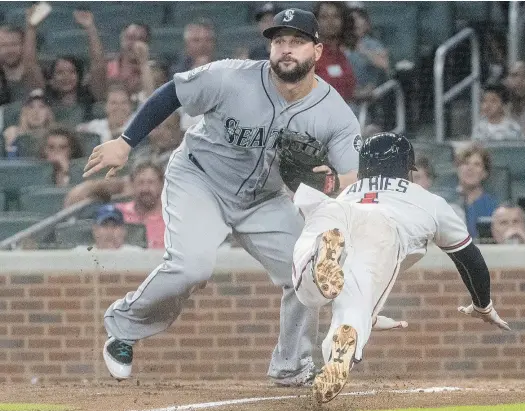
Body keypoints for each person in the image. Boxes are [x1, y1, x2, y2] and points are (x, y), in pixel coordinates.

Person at [82, 8, 361, 386]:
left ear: (316, 49)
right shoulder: (231, 76)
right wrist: (127, 141)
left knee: (308, 270)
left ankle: (292, 366)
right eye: (279, 41)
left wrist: (334, 182)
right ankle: (124, 328)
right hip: (200, 180)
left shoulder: (333, 112)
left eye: (296, 42)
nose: (286, 49)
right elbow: (172, 93)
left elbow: (351, 173)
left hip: (265, 198)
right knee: (191, 268)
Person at [291, 133, 509, 404]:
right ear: (407, 169)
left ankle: (318, 259)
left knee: (308, 285)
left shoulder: (348, 191)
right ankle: (341, 354)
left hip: (333, 211)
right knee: (355, 306)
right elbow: (470, 259)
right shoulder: (430, 202)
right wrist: (482, 305)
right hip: (383, 230)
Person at [115, 160, 166, 249]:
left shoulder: (173, 218)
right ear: (132, 185)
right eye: (140, 183)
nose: (145, 189)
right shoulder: (117, 213)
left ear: (162, 184)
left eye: (151, 182)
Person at [313, 2, 357, 103]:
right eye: (324, 17)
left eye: (336, 16)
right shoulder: (309, 55)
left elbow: (349, 88)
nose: (330, 22)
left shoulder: (342, 56)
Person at [455, 144, 499, 238]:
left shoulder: (495, 208)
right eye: (465, 163)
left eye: (477, 164)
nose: (470, 168)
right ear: (458, 168)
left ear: (484, 173)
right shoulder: (444, 202)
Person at [3, 88, 54, 157]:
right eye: (31, 107)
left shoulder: (55, 136)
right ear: (24, 112)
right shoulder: (12, 134)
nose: (36, 112)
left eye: (41, 107)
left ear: (48, 112)